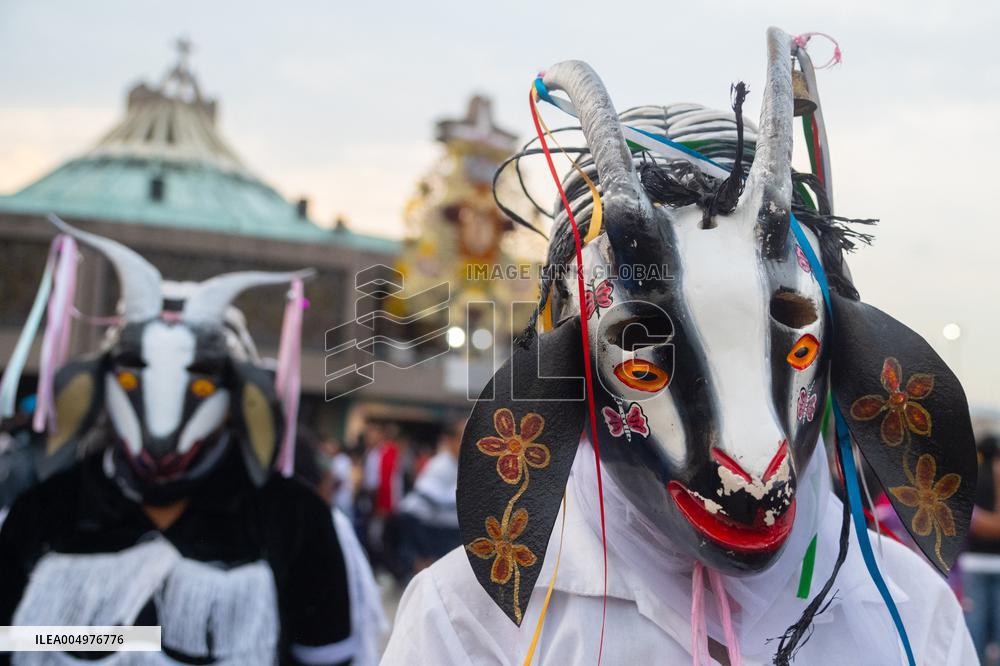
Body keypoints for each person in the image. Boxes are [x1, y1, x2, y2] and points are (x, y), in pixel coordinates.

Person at [384, 29, 976, 665]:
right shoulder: (466, 622)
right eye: (639, 358)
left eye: (794, 345)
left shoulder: (910, 612)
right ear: (568, 367)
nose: (751, 463)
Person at [0, 219, 355, 664]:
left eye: (202, 383)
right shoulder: (47, 510)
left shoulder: (291, 518)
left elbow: (327, 656)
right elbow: (10, 640)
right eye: (131, 373)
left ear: (240, 398)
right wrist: (126, 641)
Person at [398, 421, 463, 576]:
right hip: (422, 524)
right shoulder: (440, 464)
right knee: (427, 572)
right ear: (451, 440)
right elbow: (427, 496)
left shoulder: (459, 464)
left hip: (444, 529)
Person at [963, 433, 1000, 661]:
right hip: (998, 560)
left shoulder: (971, 477)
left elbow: (968, 520)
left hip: (973, 562)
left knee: (974, 624)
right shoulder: (997, 477)